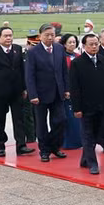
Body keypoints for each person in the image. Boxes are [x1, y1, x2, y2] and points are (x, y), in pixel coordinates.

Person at [0, 27, 34, 157]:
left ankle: (21, 146)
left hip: (16, 92)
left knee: (19, 119)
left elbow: (22, 70)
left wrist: (24, 88)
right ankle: (0, 145)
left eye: (10, 35)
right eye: (5, 36)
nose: (8, 38)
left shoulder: (17, 49)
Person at [70, 33, 104, 175]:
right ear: (84, 46)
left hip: (102, 105)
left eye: (96, 44)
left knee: (96, 134)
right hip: (86, 106)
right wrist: (77, 108)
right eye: (91, 44)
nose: (94, 47)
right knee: (88, 135)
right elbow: (74, 87)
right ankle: (92, 163)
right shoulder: (77, 63)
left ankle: (85, 159)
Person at [25, 23, 70, 163]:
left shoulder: (59, 48)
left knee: (60, 120)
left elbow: (64, 71)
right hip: (40, 94)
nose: (50, 37)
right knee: (42, 125)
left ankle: (54, 146)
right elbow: (29, 75)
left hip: (58, 92)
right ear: (40, 36)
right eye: (47, 35)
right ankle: (44, 150)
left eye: (52, 35)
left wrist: (67, 89)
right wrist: (33, 95)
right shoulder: (33, 52)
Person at [59, 34, 82, 150]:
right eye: (70, 42)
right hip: (66, 92)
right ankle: (66, 142)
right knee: (67, 118)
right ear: (64, 44)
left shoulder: (78, 56)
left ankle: (78, 141)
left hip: (78, 92)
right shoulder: (60, 57)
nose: (72, 44)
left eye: (74, 42)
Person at [21, 32, 39, 145]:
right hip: (26, 90)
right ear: (27, 44)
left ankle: (35, 134)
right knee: (27, 115)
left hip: (39, 89)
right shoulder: (22, 56)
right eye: (33, 45)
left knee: (37, 114)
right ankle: (31, 137)